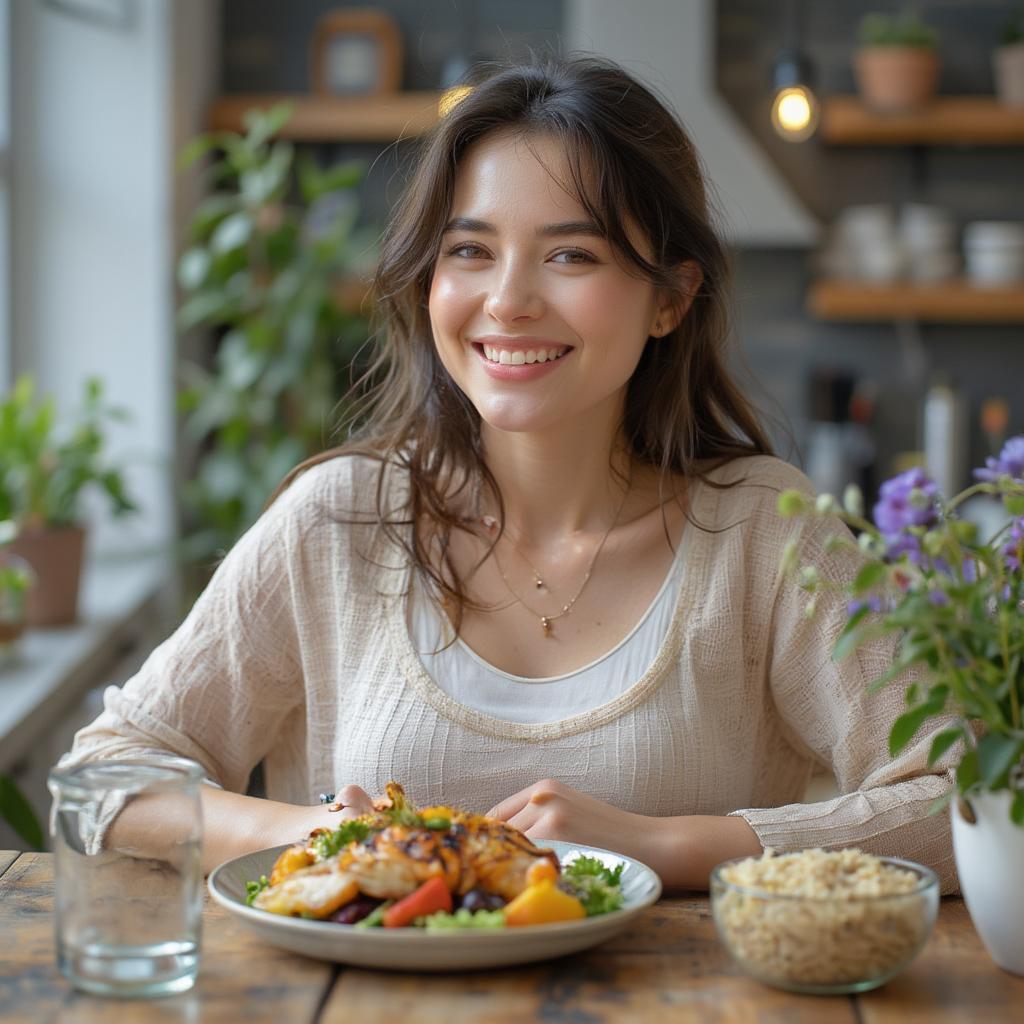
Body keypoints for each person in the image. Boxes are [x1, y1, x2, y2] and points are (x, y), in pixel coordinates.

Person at [60, 54, 955, 891]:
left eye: (572, 254)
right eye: (469, 250)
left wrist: (669, 843)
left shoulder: (766, 530)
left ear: (671, 300)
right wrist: (321, 836)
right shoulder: (338, 522)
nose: (509, 300)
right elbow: (104, 778)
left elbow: (968, 795)